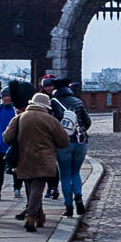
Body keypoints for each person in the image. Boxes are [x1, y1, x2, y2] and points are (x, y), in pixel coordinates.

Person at [3, 93, 67, 232]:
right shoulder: (50, 120)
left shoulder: (19, 118)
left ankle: (39, 215)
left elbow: (6, 138)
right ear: (46, 106)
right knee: (38, 187)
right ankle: (31, 217)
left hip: (23, 158)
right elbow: (64, 141)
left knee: (30, 187)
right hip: (44, 159)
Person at [42, 75, 91, 219]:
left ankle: (69, 207)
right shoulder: (79, 102)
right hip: (80, 142)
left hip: (62, 143)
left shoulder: (53, 103)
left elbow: (50, 124)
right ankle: (79, 198)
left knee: (64, 175)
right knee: (75, 172)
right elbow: (87, 122)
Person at [0, 82, 28, 201]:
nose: (6, 98)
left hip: (15, 146)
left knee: (16, 168)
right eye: (4, 96)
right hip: (0, 146)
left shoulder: (18, 110)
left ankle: (17, 188)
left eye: (8, 96)